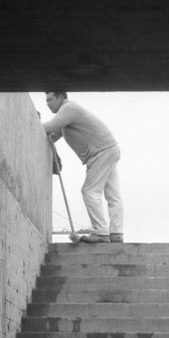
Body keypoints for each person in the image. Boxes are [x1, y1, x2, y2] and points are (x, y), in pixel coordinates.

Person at [43, 91, 123, 244]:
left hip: (101, 153)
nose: (48, 104)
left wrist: (32, 125)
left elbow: (48, 127)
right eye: (46, 101)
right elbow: (54, 134)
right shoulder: (67, 115)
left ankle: (101, 233)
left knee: (90, 191)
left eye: (50, 99)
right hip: (109, 149)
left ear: (61, 97)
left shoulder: (68, 109)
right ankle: (116, 234)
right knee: (113, 195)